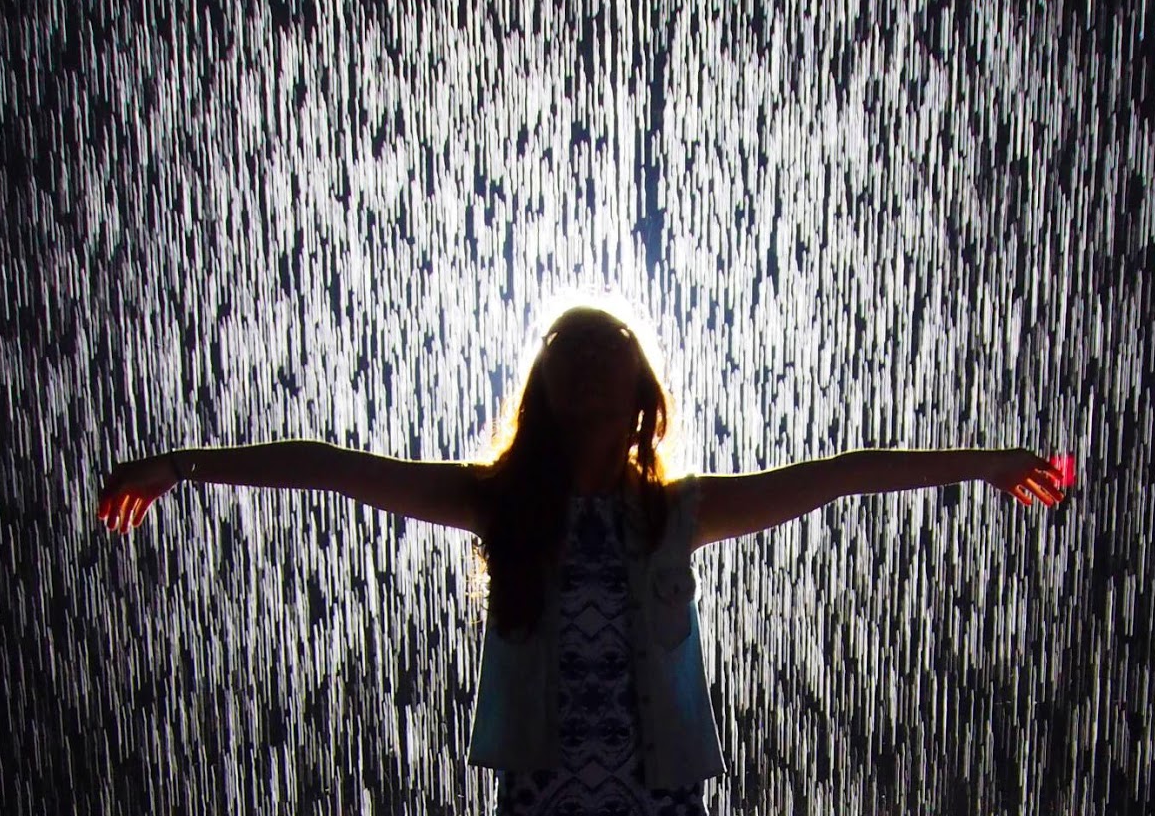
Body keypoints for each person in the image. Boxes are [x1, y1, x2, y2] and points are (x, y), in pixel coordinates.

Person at [97, 300, 1066, 814]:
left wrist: (984, 462)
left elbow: (843, 473)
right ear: (543, 384)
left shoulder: (675, 513)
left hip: (656, 794)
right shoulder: (500, 503)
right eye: (566, 344)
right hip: (545, 790)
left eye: (606, 342)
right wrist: (184, 464)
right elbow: (331, 468)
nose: (584, 354)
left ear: (642, 385)